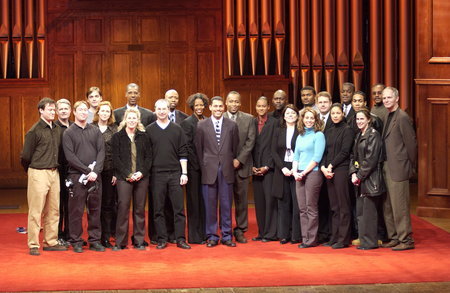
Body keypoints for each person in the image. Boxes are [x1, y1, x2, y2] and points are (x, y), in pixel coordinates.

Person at [21, 97, 68, 256]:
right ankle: (33, 244)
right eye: (50, 109)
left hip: (54, 173)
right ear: (41, 110)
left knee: (54, 210)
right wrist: (32, 171)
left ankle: (51, 241)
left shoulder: (56, 128)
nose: (53, 112)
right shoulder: (34, 131)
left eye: (54, 109)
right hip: (38, 172)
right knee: (36, 210)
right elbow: (25, 156)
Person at [195, 96, 239, 247]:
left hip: (226, 169)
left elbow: (235, 147)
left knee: (226, 204)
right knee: (210, 204)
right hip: (209, 169)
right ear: (210, 108)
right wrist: (204, 166)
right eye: (216, 106)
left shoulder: (232, 125)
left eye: (221, 106)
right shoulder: (201, 125)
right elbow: (199, 150)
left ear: (224, 107)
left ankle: (227, 235)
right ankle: (212, 235)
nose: (218, 109)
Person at [146, 99, 191, 250]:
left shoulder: (177, 129)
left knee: (178, 209)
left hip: (175, 174)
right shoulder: (149, 130)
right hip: (156, 175)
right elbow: (146, 154)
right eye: (158, 109)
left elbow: (183, 151)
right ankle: (162, 239)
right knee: (158, 209)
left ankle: (180, 239)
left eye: (164, 108)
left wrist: (184, 172)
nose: (161, 111)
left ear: (168, 110)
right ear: (155, 110)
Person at [63, 101, 105, 253]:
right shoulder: (68, 133)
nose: (83, 112)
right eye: (80, 110)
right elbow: (70, 157)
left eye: (85, 110)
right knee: (76, 210)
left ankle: (94, 240)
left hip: (95, 177)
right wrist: (87, 171)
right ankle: (76, 240)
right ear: (74, 112)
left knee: (95, 209)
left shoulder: (95, 131)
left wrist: (96, 171)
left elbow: (101, 152)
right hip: (77, 177)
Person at [381, 87, 417, 251]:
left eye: (389, 97)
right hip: (387, 165)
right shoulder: (388, 115)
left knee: (400, 205)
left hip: (399, 167)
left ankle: (406, 239)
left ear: (397, 98)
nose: (386, 100)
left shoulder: (402, 117)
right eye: (384, 98)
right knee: (388, 205)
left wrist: (411, 165)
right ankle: (394, 236)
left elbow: (411, 144)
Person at [111, 108, 151, 251]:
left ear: (138, 120)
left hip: (141, 177)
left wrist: (141, 173)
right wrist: (128, 174)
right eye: (130, 118)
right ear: (125, 120)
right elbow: (116, 159)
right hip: (123, 178)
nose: (132, 120)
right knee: (123, 208)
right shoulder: (117, 137)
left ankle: (139, 240)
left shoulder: (144, 136)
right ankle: (120, 242)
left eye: (135, 118)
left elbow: (149, 158)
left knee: (139, 209)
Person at [349, 108, 385, 250]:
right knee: (360, 212)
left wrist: (359, 176)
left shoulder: (373, 135)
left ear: (369, 119)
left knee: (369, 213)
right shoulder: (358, 135)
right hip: (359, 180)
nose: (359, 121)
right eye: (357, 119)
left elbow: (371, 160)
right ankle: (364, 240)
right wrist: (353, 173)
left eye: (362, 119)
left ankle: (370, 242)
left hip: (370, 180)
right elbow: (353, 156)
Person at [320, 103, 355, 249]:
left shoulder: (348, 130)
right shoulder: (328, 131)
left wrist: (330, 166)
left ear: (343, 114)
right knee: (334, 206)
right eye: (333, 113)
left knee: (343, 205)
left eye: (337, 113)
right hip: (329, 171)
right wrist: (323, 167)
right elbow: (324, 152)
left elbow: (345, 152)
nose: (335, 115)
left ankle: (343, 238)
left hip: (341, 170)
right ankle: (334, 237)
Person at [224, 91, 256, 243]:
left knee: (242, 200)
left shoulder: (249, 119)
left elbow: (250, 141)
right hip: (224, 167)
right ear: (226, 102)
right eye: (231, 101)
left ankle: (240, 230)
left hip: (242, 167)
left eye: (237, 101)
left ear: (240, 103)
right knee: (224, 200)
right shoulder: (219, 117)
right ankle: (226, 229)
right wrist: (228, 160)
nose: (234, 104)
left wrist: (239, 159)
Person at [292, 107, 325, 248]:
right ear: (302, 119)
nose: (309, 120)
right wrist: (295, 172)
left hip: (312, 173)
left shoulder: (319, 135)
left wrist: (303, 172)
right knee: (302, 208)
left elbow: (317, 158)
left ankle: (311, 240)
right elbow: (296, 156)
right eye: (307, 118)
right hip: (299, 173)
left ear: (316, 120)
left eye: (312, 118)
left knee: (311, 207)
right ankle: (305, 237)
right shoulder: (300, 135)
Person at [180, 93, 209, 244]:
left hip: (206, 168)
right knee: (194, 202)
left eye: (201, 105)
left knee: (205, 201)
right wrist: (199, 164)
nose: (199, 107)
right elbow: (187, 147)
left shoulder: (207, 121)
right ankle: (195, 236)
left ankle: (205, 233)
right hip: (193, 169)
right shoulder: (187, 123)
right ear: (192, 106)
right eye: (196, 105)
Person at [271, 104, 301, 244]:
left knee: (296, 202)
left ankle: (295, 235)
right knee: (283, 203)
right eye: (287, 113)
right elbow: (273, 151)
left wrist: (295, 168)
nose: (290, 115)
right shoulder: (278, 130)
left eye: (293, 113)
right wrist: (282, 168)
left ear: (297, 116)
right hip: (282, 168)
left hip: (297, 168)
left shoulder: (301, 131)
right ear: (283, 116)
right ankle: (284, 235)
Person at [92, 101, 118, 248]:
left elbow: (118, 153)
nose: (104, 113)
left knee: (108, 205)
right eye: (102, 111)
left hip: (109, 171)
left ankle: (106, 237)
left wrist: (116, 173)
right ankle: (95, 236)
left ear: (110, 114)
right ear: (98, 112)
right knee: (95, 205)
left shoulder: (114, 129)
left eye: (107, 111)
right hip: (94, 172)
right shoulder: (91, 128)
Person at [252, 96, 278, 242]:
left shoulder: (274, 123)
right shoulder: (252, 122)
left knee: (270, 202)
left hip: (269, 169)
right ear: (256, 107)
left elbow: (275, 147)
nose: (261, 108)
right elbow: (250, 145)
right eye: (258, 106)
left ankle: (270, 233)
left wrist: (267, 166)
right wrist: (252, 166)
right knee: (259, 202)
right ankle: (261, 232)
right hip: (255, 169)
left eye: (264, 106)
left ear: (268, 107)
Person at [54, 98, 73, 246]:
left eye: (66, 108)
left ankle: (70, 234)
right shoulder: (54, 128)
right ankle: (58, 234)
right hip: (59, 170)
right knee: (58, 205)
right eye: (61, 109)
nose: (64, 111)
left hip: (73, 171)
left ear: (70, 110)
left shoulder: (74, 126)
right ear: (56, 111)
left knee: (71, 204)